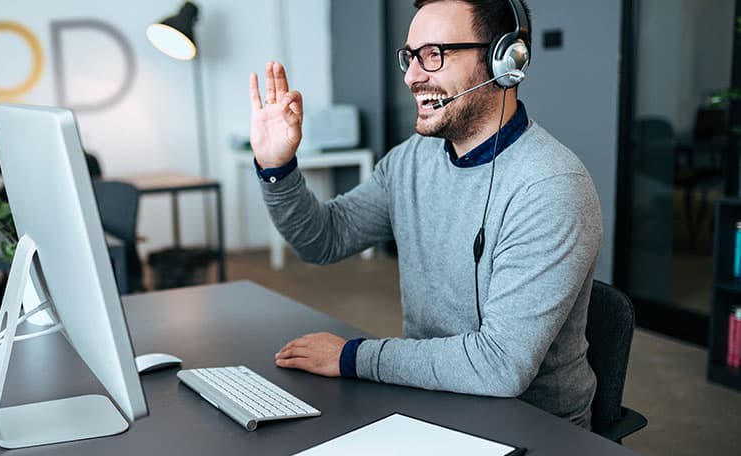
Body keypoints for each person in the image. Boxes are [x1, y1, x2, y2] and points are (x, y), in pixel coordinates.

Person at [249, 0, 603, 428]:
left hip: (534, 427)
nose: (413, 76)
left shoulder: (550, 186)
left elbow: (500, 365)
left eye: (435, 54)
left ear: (504, 59)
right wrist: (277, 167)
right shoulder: (411, 161)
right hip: (431, 400)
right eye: (411, 56)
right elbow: (324, 239)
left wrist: (351, 356)